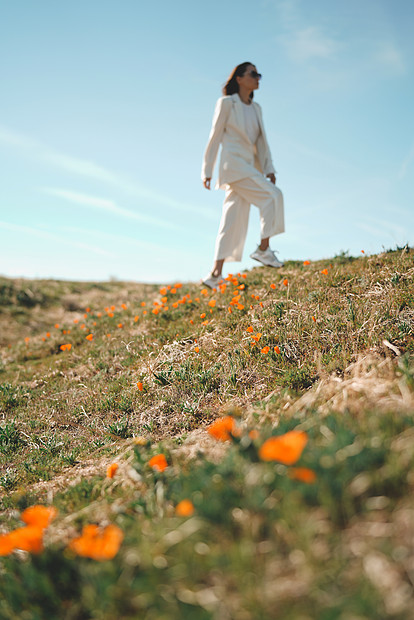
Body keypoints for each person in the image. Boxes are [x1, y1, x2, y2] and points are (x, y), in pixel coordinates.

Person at [201, 62, 285, 288]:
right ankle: (264, 250)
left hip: (250, 168)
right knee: (273, 196)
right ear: (239, 78)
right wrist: (207, 170)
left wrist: (269, 168)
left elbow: (262, 142)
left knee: (231, 221)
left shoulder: (256, 108)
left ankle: (215, 275)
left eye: (259, 75)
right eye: (253, 74)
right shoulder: (227, 103)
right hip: (233, 168)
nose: (258, 78)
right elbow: (214, 137)